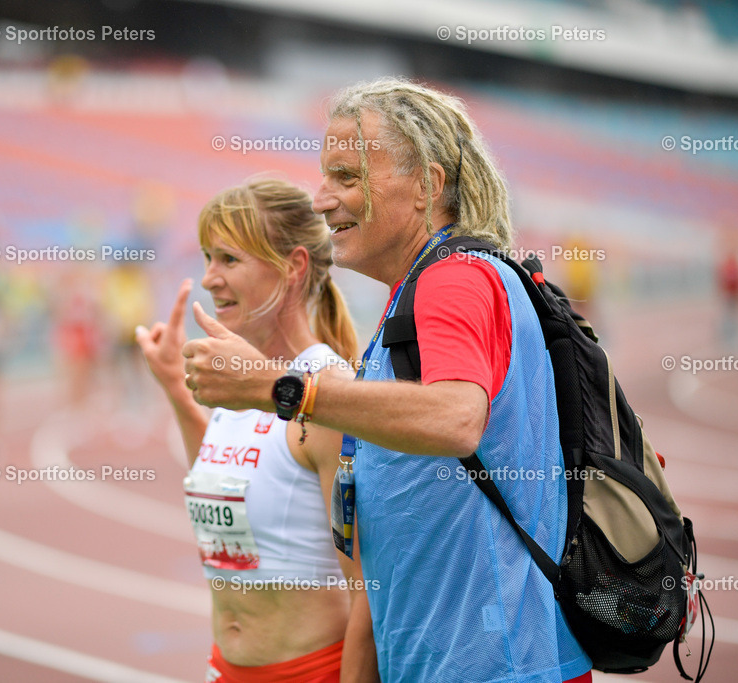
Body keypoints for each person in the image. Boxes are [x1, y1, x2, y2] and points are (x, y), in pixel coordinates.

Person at [183, 79, 593, 682]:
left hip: (490, 664)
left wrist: (282, 389)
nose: (322, 200)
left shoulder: (453, 278)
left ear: (427, 185)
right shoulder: (428, 284)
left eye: (347, 178)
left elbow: (454, 419)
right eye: (325, 177)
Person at [136, 178, 374, 682]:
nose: (208, 279)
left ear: (293, 267)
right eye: (206, 258)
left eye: (229, 259)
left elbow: (370, 596)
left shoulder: (325, 394)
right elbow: (235, 476)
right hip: (224, 668)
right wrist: (179, 391)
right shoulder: (237, 378)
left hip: (312, 671)